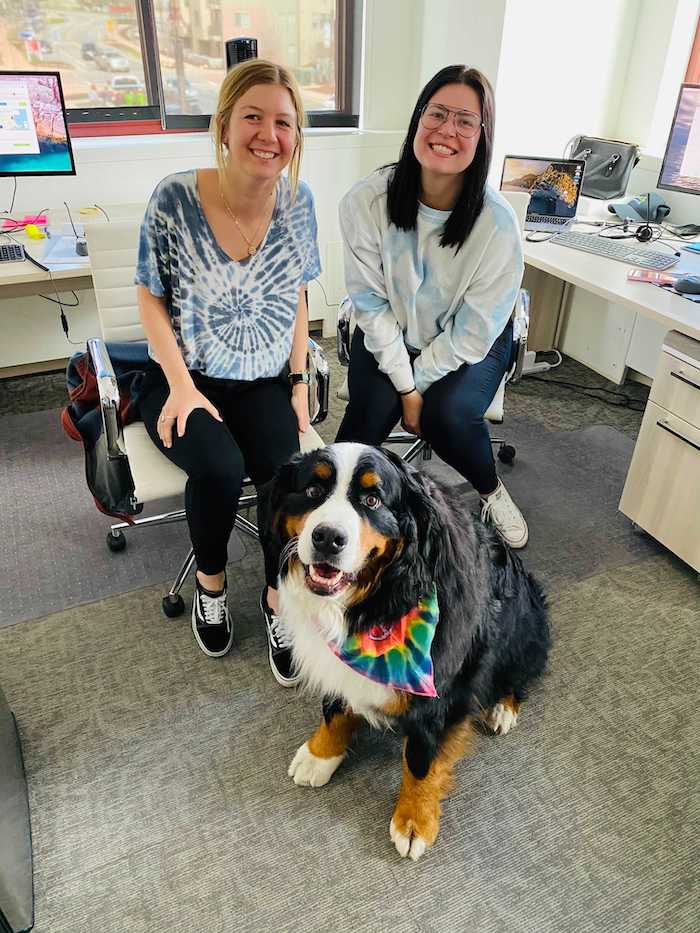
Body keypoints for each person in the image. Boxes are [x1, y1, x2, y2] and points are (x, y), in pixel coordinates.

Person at [134, 59, 320, 680]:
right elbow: (149, 295)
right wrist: (181, 385)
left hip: (264, 377)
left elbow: (295, 293)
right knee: (219, 467)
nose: (269, 134)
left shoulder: (299, 203)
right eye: (253, 117)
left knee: (284, 473)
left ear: (296, 138)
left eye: (284, 123)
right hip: (186, 373)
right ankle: (210, 590)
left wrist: (297, 382)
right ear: (223, 124)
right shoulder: (175, 198)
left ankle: (276, 599)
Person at [336, 64, 528, 548]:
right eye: (437, 113)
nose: (447, 130)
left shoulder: (498, 226)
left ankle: (490, 488)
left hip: (471, 339)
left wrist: (416, 390)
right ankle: (332, 508)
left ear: (482, 136)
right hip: (392, 330)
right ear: (418, 119)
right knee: (368, 414)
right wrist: (403, 383)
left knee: (448, 414)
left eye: (465, 121)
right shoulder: (366, 202)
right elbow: (371, 304)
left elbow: (473, 331)